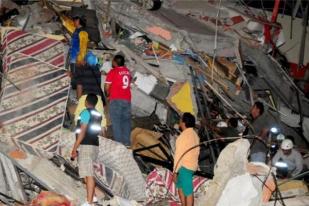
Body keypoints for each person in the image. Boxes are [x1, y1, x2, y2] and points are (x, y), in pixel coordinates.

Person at [71, 94, 102, 206]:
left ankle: (89, 203)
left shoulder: (85, 112)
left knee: (88, 174)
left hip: (86, 145)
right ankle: (92, 197)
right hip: (94, 146)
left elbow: (83, 130)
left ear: (86, 102)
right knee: (86, 173)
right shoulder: (98, 114)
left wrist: (75, 148)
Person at [104, 55, 132, 146]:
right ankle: (127, 143)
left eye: (113, 61)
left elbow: (106, 87)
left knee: (116, 122)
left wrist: (107, 96)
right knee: (126, 121)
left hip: (116, 99)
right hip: (127, 99)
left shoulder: (113, 72)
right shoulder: (127, 71)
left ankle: (119, 145)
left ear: (115, 62)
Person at [173, 113, 200, 206]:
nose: (179, 121)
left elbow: (178, 155)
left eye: (180, 120)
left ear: (183, 123)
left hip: (185, 167)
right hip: (192, 165)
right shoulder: (195, 135)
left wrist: (175, 172)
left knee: (188, 191)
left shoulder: (183, 136)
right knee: (180, 186)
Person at [61, 14, 89, 97]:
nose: (74, 22)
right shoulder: (77, 30)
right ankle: (74, 94)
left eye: (76, 20)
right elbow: (69, 26)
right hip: (72, 57)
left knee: (76, 78)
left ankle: (77, 96)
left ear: (79, 21)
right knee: (72, 75)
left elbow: (83, 47)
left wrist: (79, 59)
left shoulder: (83, 32)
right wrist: (63, 17)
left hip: (76, 59)